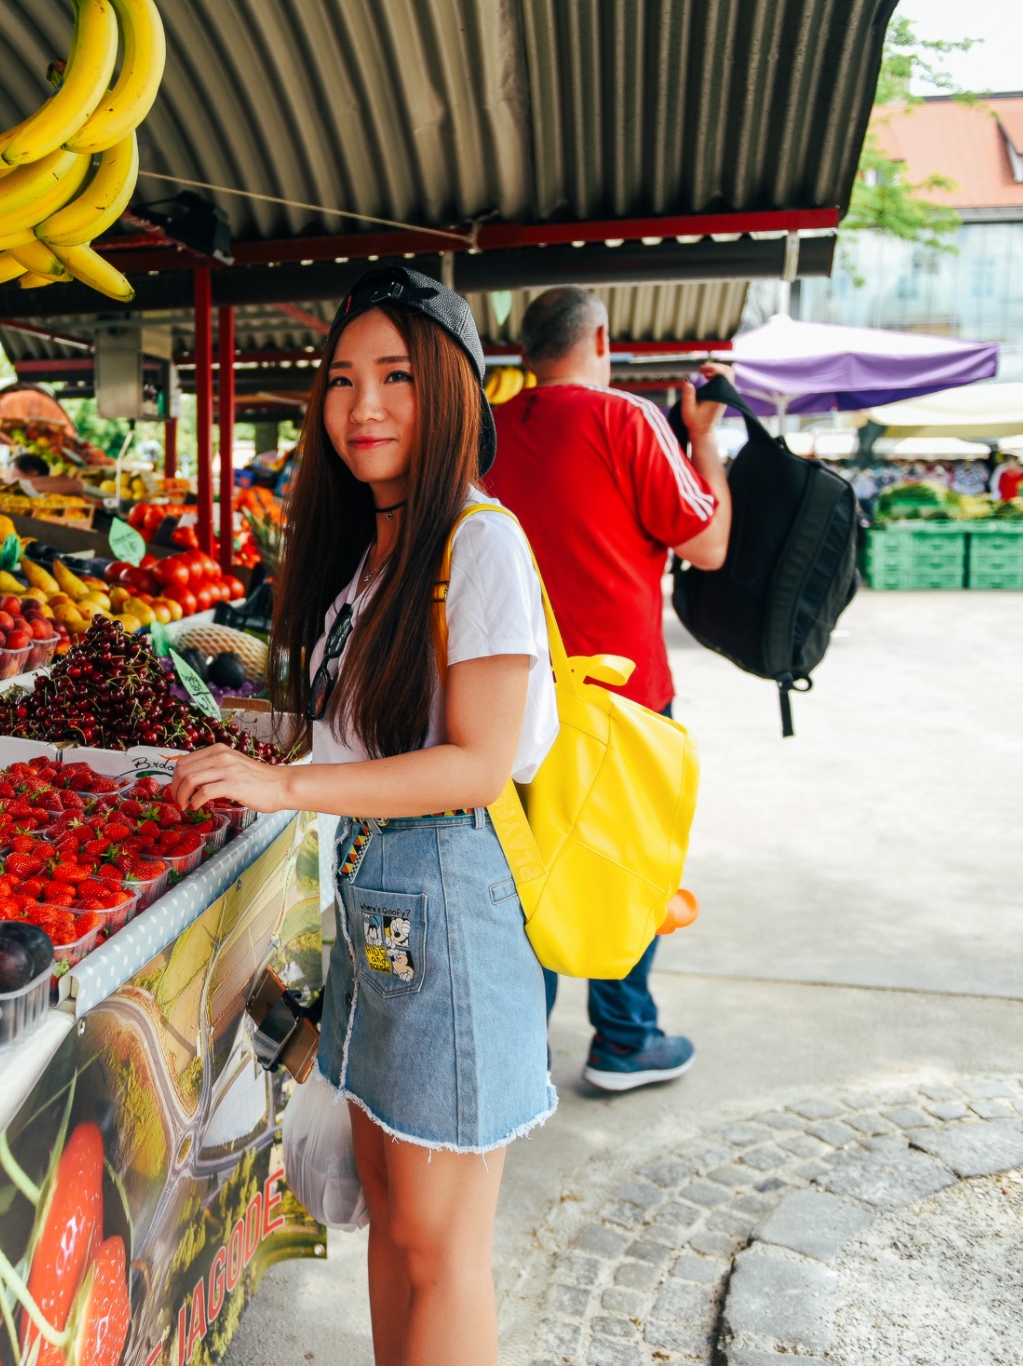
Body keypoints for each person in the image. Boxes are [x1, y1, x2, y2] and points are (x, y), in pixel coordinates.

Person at [170, 266, 557, 1366]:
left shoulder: (476, 543)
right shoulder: (369, 556)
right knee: (392, 1222)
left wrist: (285, 789)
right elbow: (353, 735)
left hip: (453, 913)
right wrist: (253, 755)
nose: (364, 406)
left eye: (395, 376)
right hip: (378, 915)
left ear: (454, 395)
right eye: (342, 380)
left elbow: (474, 765)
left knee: (439, 1250)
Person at [482, 285, 732, 1093]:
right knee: (624, 865)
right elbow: (709, 545)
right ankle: (624, 1040)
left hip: (511, 697)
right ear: (600, 336)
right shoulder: (625, 419)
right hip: (620, 696)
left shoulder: (488, 435)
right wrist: (706, 443)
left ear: (525, 349)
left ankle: (525, 1051)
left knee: (530, 873)